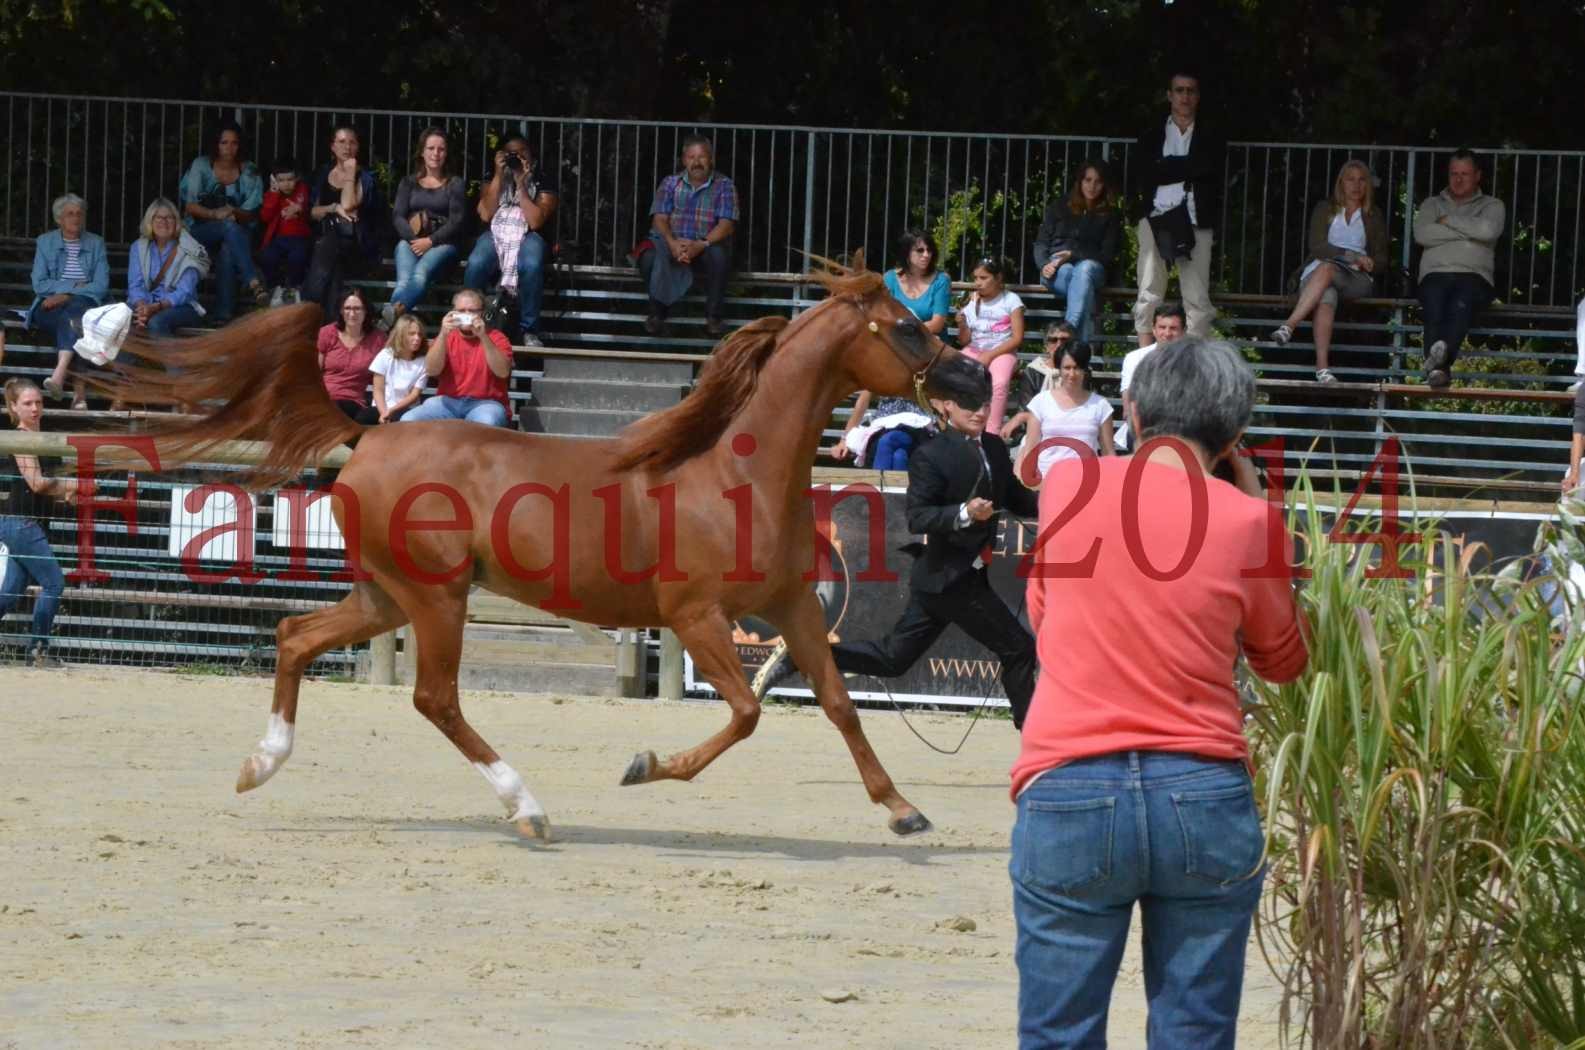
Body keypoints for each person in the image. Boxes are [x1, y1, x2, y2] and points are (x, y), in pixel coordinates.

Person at [1012, 339, 1308, 1048]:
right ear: (1234, 436)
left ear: (1134, 413)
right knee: (1195, 1030)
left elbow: (1042, 618)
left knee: (1056, 1032)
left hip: (1070, 777)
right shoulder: (1249, 524)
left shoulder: (1066, 487)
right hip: (1202, 789)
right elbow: (1282, 662)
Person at [756, 361, 1041, 727]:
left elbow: (1017, 499)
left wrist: (1056, 496)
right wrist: (965, 514)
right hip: (951, 579)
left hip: (940, 581)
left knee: (893, 660)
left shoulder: (995, 448)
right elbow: (919, 517)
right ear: (944, 405)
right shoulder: (930, 455)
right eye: (970, 402)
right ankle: (1034, 738)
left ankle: (803, 655)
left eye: (985, 402)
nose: (981, 410)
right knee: (1018, 647)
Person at [834, 228, 951, 469]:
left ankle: (885, 500)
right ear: (907, 253)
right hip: (894, 346)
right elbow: (865, 397)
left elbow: (938, 322)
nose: (926, 255)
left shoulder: (941, 280)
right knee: (897, 453)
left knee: (893, 444)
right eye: (920, 250)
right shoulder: (889, 279)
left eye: (930, 250)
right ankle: (896, 501)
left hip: (926, 346)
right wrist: (844, 438)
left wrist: (907, 333)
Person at [1271, 160, 1389, 382]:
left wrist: (1370, 262)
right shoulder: (1324, 208)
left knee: (1328, 269)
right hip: (1318, 273)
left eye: (1362, 179)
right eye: (1350, 179)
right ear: (1341, 183)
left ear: (1368, 185)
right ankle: (1323, 369)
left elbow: (1382, 259)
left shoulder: (1373, 215)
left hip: (1355, 277)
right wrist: (1349, 255)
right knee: (1327, 293)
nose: (1356, 185)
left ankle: (1289, 325)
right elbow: (1317, 246)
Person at [1132, 70, 1224, 345]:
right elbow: (1146, 173)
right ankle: (1144, 360)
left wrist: (1167, 166)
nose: (1185, 96)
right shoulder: (1151, 134)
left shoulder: (1210, 135)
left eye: (1190, 91)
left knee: (1197, 298)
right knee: (1149, 292)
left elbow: (1209, 169)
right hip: (1157, 218)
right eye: (1180, 90)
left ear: (1197, 97)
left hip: (1197, 218)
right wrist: (1188, 167)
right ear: (1169, 95)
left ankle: (1191, 364)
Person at [2, 378, 88, 667]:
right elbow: (37, 484)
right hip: (22, 523)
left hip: (28, 524)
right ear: (13, 407)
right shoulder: (22, 438)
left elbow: (50, 489)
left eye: (38, 402)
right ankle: (39, 651)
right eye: (28, 403)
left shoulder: (44, 440)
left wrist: (70, 491)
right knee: (53, 583)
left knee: (10, 593)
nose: (36, 408)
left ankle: (38, 652)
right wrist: (71, 484)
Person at [1414, 149, 1505, 389]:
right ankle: (1440, 368)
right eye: (1454, 173)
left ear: (1478, 176)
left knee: (1461, 301)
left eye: (1465, 173)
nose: (1458, 179)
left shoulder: (1493, 205)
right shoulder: (1432, 204)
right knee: (1434, 300)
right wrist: (1468, 233)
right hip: (1435, 274)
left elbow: (1487, 231)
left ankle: (1436, 366)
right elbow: (1422, 234)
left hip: (1475, 277)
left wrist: (1448, 222)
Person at [636, 134, 739, 337]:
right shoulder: (670, 183)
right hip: (672, 244)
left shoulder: (724, 185)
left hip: (705, 246)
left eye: (702, 157)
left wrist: (700, 244)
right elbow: (659, 219)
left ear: (711, 160)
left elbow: (727, 225)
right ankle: (657, 314)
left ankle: (713, 317)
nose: (697, 162)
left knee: (719, 256)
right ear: (684, 160)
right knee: (648, 258)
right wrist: (673, 244)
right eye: (691, 157)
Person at [462, 135, 559, 348]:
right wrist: (498, 174)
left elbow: (535, 221)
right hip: (496, 231)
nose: (516, 157)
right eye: (511, 153)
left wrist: (521, 184)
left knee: (531, 265)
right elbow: (486, 214)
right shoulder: (494, 175)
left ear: (531, 156)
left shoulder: (543, 178)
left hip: (531, 234)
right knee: (476, 262)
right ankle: (467, 322)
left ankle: (529, 330)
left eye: (521, 152)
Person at [179, 120, 268, 323]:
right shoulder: (201, 165)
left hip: (238, 233)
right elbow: (190, 206)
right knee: (228, 227)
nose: (229, 148)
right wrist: (215, 214)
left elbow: (253, 213)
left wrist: (233, 211)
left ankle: (223, 315)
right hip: (201, 231)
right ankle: (253, 281)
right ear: (215, 144)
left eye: (234, 143)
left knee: (229, 246)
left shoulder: (249, 170)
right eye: (224, 142)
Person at [28, 193, 109, 409]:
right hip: (48, 307)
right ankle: (79, 394)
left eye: (79, 214)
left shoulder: (96, 243)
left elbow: (101, 286)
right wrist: (75, 287)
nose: (76, 218)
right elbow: (39, 284)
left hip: (83, 305)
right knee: (77, 322)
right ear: (59, 219)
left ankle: (59, 374)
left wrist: (66, 295)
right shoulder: (45, 242)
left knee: (76, 316)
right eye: (70, 214)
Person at [384, 127, 468, 330]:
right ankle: (398, 326)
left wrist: (430, 241)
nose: (435, 153)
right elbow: (398, 216)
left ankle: (391, 317)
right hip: (412, 240)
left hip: (443, 244)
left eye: (441, 149)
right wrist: (415, 239)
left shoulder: (455, 183)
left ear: (446, 153)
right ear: (422, 152)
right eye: (431, 148)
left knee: (420, 275)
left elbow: (457, 221)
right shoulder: (408, 182)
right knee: (404, 282)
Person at [1033, 160, 1122, 346]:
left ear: (1104, 185)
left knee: (1083, 270)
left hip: (1092, 268)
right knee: (1074, 279)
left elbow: (1106, 255)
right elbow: (1041, 243)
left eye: (1098, 181)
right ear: (1079, 182)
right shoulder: (1058, 207)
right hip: (1056, 267)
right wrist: (1044, 266)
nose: (1092, 186)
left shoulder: (1110, 214)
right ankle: (1078, 350)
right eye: (1088, 180)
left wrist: (1073, 255)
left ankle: (1068, 331)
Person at [400, 288, 513, 426]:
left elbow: (503, 372)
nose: (467, 314)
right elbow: (432, 371)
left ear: (482, 313)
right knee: (408, 420)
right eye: (461, 311)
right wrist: (442, 334)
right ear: (453, 313)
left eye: (472, 311)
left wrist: (483, 336)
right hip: (448, 402)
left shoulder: (496, 338)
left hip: (486, 403)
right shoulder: (446, 337)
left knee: (487, 422)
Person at [302, 125, 384, 315]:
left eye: (352, 142)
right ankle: (331, 327)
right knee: (333, 269)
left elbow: (348, 204)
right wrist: (333, 208)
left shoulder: (365, 178)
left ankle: (306, 306)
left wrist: (350, 173)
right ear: (332, 146)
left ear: (358, 147)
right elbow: (310, 212)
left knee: (327, 249)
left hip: (355, 245)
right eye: (341, 142)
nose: (347, 147)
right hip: (324, 243)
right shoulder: (322, 174)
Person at [1012, 341, 1115, 484]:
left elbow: (1108, 452)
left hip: (1086, 483)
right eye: (1067, 368)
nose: (1072, 374)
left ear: (1085, 369)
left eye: (1077, 368)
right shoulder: (1041, 401)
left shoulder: (1101, 405)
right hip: (1047, 482)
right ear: (1059, 369)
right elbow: (1031, 447)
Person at [957, 256, 1026, 436]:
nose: (978, 283)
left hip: (1003, 351)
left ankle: (991, 432)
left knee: (1000, 383)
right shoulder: (971, 299)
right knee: (957, 376)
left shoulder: (1011, 300)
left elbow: (1017, 337)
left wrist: (990, 355)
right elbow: (964, 341)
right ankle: (961, 427)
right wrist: (962, 325)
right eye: (975, 278)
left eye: (983, 278)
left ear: (998, 278)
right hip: (974, 348)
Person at [127, 198, 210, 337]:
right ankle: (127, 360)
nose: (163, 222)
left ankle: (171, 359)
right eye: (158, 217)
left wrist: (156, 307)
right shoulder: (138, 247)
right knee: (122, 318)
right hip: (146, 303)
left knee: (156, 322)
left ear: (176, 222)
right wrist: (142, 307)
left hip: (181, 307)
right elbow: (135, 285)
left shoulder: (189, 248)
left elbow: (185, 291)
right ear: (150, 221)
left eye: (169, 218)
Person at [1115, 303, 1186, 451]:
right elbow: (1128, 402)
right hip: (1141, 430)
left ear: (1183, 331)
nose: (1167, 333)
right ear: (1153, 329)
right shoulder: (1134, 358)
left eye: (1173, 328)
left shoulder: (1194, 362)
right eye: (1162, 327)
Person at [317, 289, 384, 423]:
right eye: (347, 308)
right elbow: (314, 372)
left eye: (357, 308)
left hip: (354, 401)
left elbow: (382, 376)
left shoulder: (378, 339)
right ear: (341, 311)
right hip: (324, 398)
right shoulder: (327, 333)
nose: (352, 314)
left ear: (366, 311)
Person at [259, 157, 313, 305]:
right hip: (279, 239)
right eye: (281, 180)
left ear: (297, 178)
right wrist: (274, 193)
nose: (287, 184)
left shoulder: (302, 190)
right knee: (268, 256)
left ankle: (293, 288)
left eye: (290, 179)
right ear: (274, 180)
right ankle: (275, 288)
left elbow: (307, 207)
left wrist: (299, 209)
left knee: (298, 257)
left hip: (300, 238)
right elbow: (265, 216)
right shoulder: (272, 194)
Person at [369, 313, 429, 423]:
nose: (417, 338)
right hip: (381, 407)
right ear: (401, 335)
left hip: (407, 409)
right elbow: (378, 390)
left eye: (419, 334)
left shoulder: (423, 362)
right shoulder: (385, 355)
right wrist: (384, 412)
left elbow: (414, 395)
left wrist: (391, 411)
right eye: (411, 334)